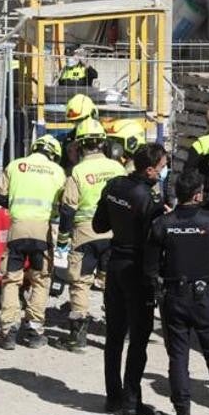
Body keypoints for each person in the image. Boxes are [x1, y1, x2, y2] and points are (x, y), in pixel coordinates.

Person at [144, 169, 209, 415]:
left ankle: (183, 413)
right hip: (206, 298)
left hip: (175, 297)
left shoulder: (163, 223)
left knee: (179, 357)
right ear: (198, 195)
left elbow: (150, 266)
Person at [92, 143, 168, 415]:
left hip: (115, 265)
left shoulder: (114, 186)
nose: (163, 173)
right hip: (137, 270)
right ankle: (131, 400)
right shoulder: (148, 199)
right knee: (138, 337)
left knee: (114, 335)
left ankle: (113, 397)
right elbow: (155, 242)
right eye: (161, 168)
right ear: (149, 170)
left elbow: (99, 226)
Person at [58, 118, 126, 352]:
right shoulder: (118, 168)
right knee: (114, 284)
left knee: (80, 283)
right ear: (103, 144)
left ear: (79, 146)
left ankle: (78, 338)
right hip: (115, 235)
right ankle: (118, 331)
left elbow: (68, 208)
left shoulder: (77, 171)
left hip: (85, 236)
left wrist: (63, 238)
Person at [0, 135, 67, 349]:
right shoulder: (57, 171)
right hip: (42, 231)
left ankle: (8, 331)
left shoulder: (15, 165)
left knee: (11, 280)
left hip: (17, 229)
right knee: (41, 279)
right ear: (53, 154)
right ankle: (35, 330)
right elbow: (65, 204)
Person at [61, 93, 98, 174]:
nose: (77, 124)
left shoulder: (105, 139)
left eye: (80, 120)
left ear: (93, 115)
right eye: (74, 122)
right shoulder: (69, 141)